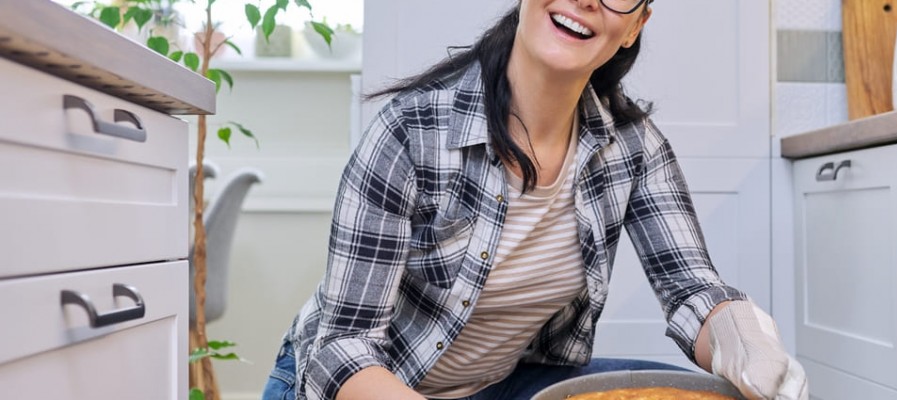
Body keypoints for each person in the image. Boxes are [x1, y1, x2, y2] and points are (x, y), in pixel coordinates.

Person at [263, 0, 808, 399]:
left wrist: (744, 338)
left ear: (634, 26)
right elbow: (342, 348)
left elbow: (691, 289)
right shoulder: (411, 132)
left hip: (497, 386)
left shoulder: (633, 145)